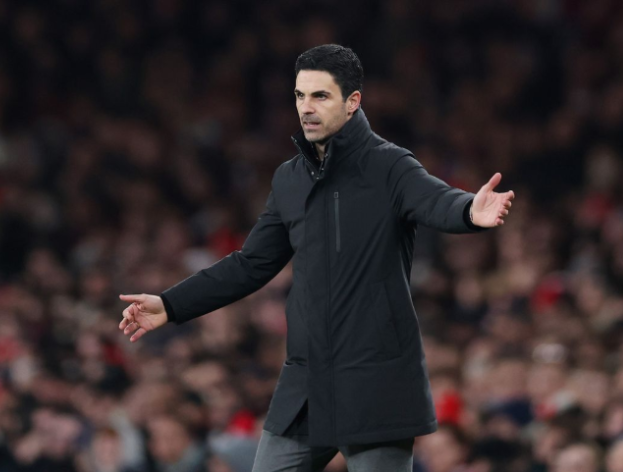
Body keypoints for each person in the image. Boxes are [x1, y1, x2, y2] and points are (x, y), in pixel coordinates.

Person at [119, 44, 515, 472]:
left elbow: (436, 200)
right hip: (306, 381)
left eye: (320, 96)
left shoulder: (390, 166)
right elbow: (250, 264)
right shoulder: (289, 179)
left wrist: (469, 212)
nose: (306, 108)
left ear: (352, 101)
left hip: (375, 381)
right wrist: (171, 304)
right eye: (299, 95)